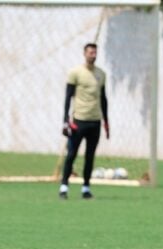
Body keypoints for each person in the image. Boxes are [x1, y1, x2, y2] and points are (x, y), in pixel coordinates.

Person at [59, 42, 109, 200]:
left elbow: (103, 98)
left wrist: (106, 121)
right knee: (72, 154)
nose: (93, 55)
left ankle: (86, 188)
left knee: (90, 156)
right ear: (84, 54)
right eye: (90, 52)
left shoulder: (101, 74)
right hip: (78, 121)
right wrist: (66, 120)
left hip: (95, 122)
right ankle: (64, 186)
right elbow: (68, 97)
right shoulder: (75, 73)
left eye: (95, 53)